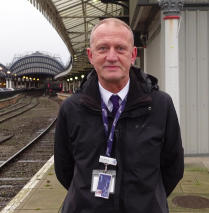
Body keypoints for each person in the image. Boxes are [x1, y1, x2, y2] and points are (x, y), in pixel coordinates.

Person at [54, 18, 184, 213]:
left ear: (133, 55)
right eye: (103, 48)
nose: (112, 56)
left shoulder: (160, 105)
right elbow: (64, 169)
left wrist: (148, 201)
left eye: (120, 48)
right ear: (91, 55)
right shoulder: (71, 108)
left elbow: (173, 166)